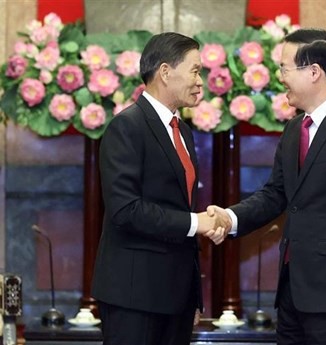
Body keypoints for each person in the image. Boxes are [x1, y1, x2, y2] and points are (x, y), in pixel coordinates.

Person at [210, 28, 326, 344]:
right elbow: (276, 194)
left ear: (314, 72)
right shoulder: (296, 128)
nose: (280, 76)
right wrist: (229, 217)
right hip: (293, 290)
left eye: (284, 67)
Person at [91, 32, 227, 345]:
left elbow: (176, 206)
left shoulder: (184, 133)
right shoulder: (127, 127)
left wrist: (192, 296)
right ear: (165, 72)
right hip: (134, 295)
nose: (200, 80)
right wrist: (197, 222)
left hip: (175, 298)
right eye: (194, 70)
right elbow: (125, 210)